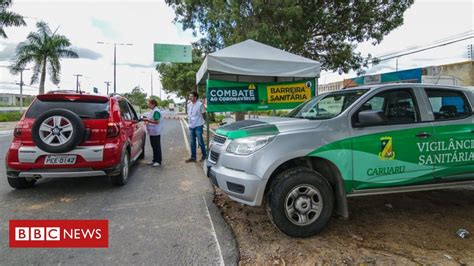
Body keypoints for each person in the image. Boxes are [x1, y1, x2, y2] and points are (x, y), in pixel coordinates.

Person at [185, 91, 207, 162]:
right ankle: (193, 157)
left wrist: (205, 121)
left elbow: (204, 114)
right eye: (190, 96)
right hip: (191, 126)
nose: (190, 97)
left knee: (200, 142)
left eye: (191, 96)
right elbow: (189, 115)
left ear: (195, 97)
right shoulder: (189, 105)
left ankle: (204, 155)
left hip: (198, 125)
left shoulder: (200, 104)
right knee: (192, 142)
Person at [143, 99, 163, 167]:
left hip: (155, 131)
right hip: (152, 132)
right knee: (153, 146)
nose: (148, 105)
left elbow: (157, 122)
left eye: (149, 104)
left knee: (156, 146)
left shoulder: (156, 111)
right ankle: (154, 160)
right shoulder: (152, 110)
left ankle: (158, 161)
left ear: (153, 104)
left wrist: (147, 120)